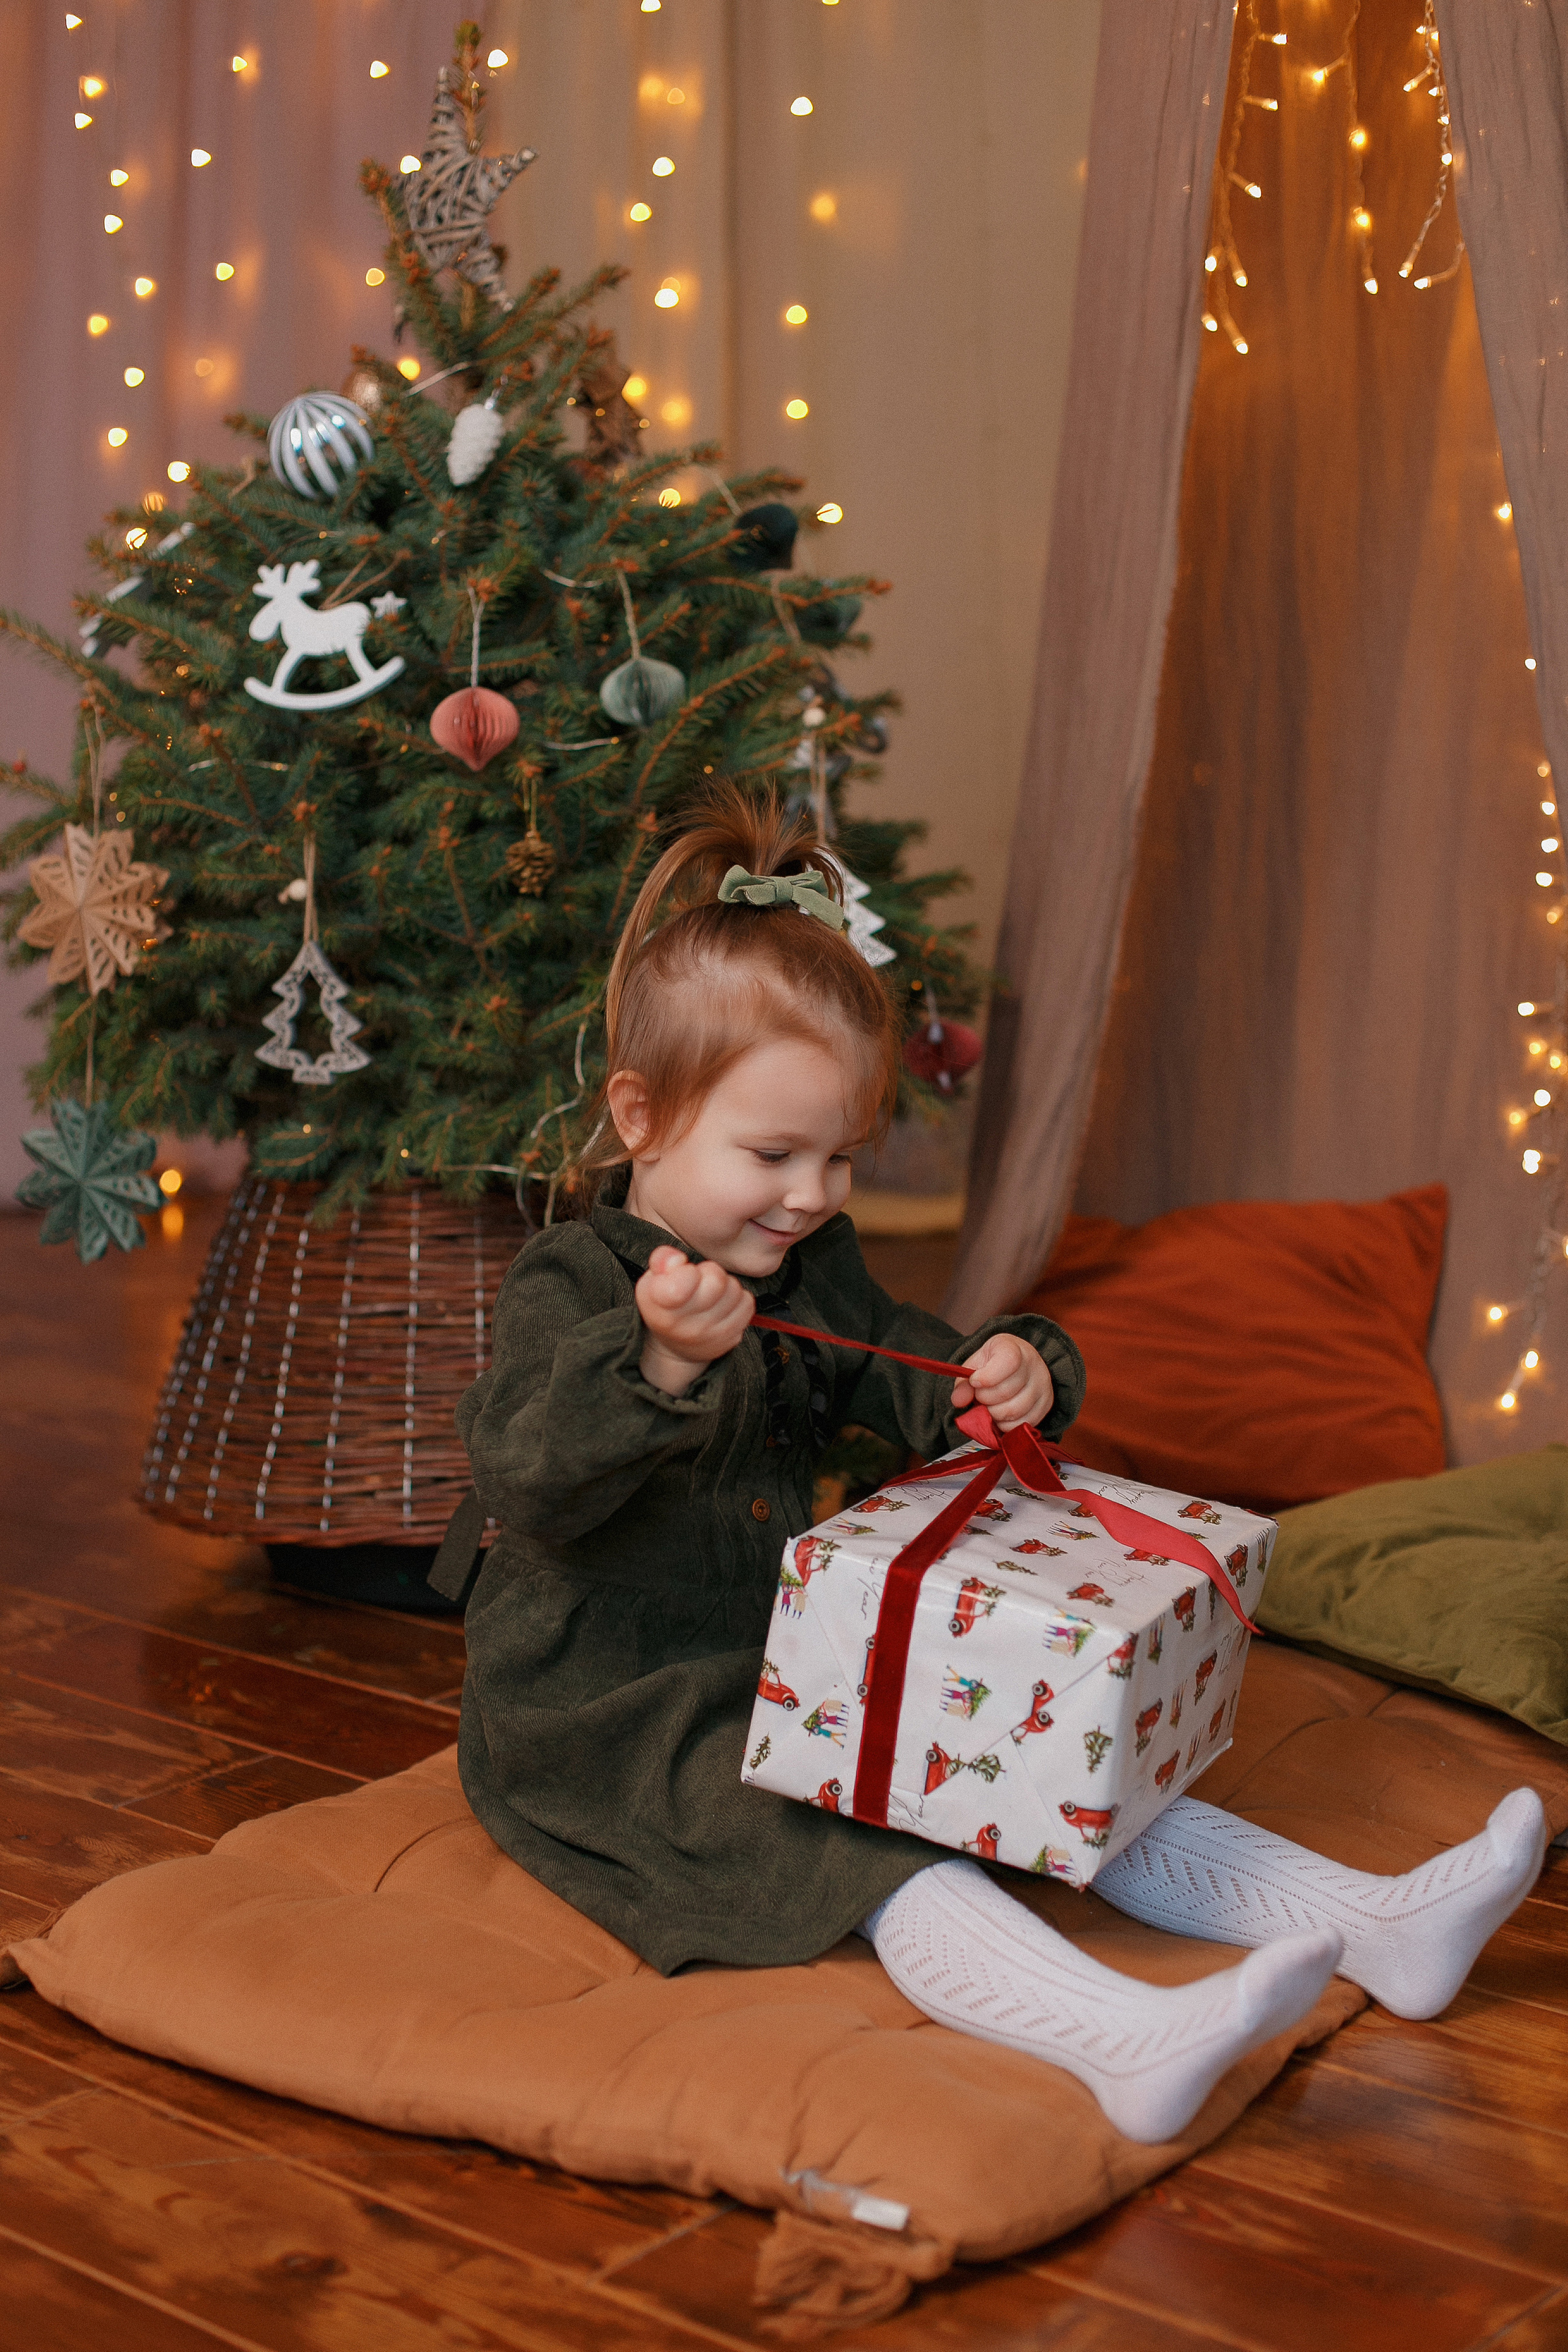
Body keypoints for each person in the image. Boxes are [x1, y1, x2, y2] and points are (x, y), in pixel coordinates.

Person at [454, 784, 1548, 2144]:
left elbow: (906, 1375)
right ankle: (1118, 2038)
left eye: (841, 1158)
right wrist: (662, 1364)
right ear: (639, 1118)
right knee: (852, 1841)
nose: (809, 1195)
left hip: (790, 1654)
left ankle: (1374, 1923)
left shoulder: (807, 1262)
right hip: (612, 1708)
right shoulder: (574, 1281)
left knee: (1038, 1762)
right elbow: (528, 1477)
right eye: (771, 1154)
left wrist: (1009, 1370)